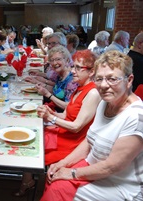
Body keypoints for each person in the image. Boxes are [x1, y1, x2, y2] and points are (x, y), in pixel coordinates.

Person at [41, 50, 143, 201]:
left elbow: (112, 167)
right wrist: (62, 163)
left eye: (112, 79)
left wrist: (72, 173)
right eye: (99, 79)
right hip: (93, 165)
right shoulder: (104, 103)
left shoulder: (136, 117)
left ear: (129, 80)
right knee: (54, 176)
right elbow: (89, 141)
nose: (103, 85)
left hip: (119, 183)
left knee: (58, 188)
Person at [14, 49, 101, 197]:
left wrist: (51, 118)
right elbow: (66, 114)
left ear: (92, 72)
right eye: (73, 66)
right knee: (31, 133)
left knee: (32, 144)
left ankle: (29, 180)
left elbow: (76, 127)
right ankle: (28, 179)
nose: (73, 71)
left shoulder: (93, 92)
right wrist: (50, 113)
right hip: (66, 133)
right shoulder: (79, 87)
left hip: (73, 141)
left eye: (78, 68)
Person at [35, 46, 78, 112]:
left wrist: (48, 94)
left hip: (62, 115)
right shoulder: (60, 75)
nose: (55, 63)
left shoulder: (71, 80)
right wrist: (42, 87)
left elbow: (68, 106)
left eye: (58, 59)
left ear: (67, 60)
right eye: (52, 60)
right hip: (55, 109)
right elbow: (58, 91)